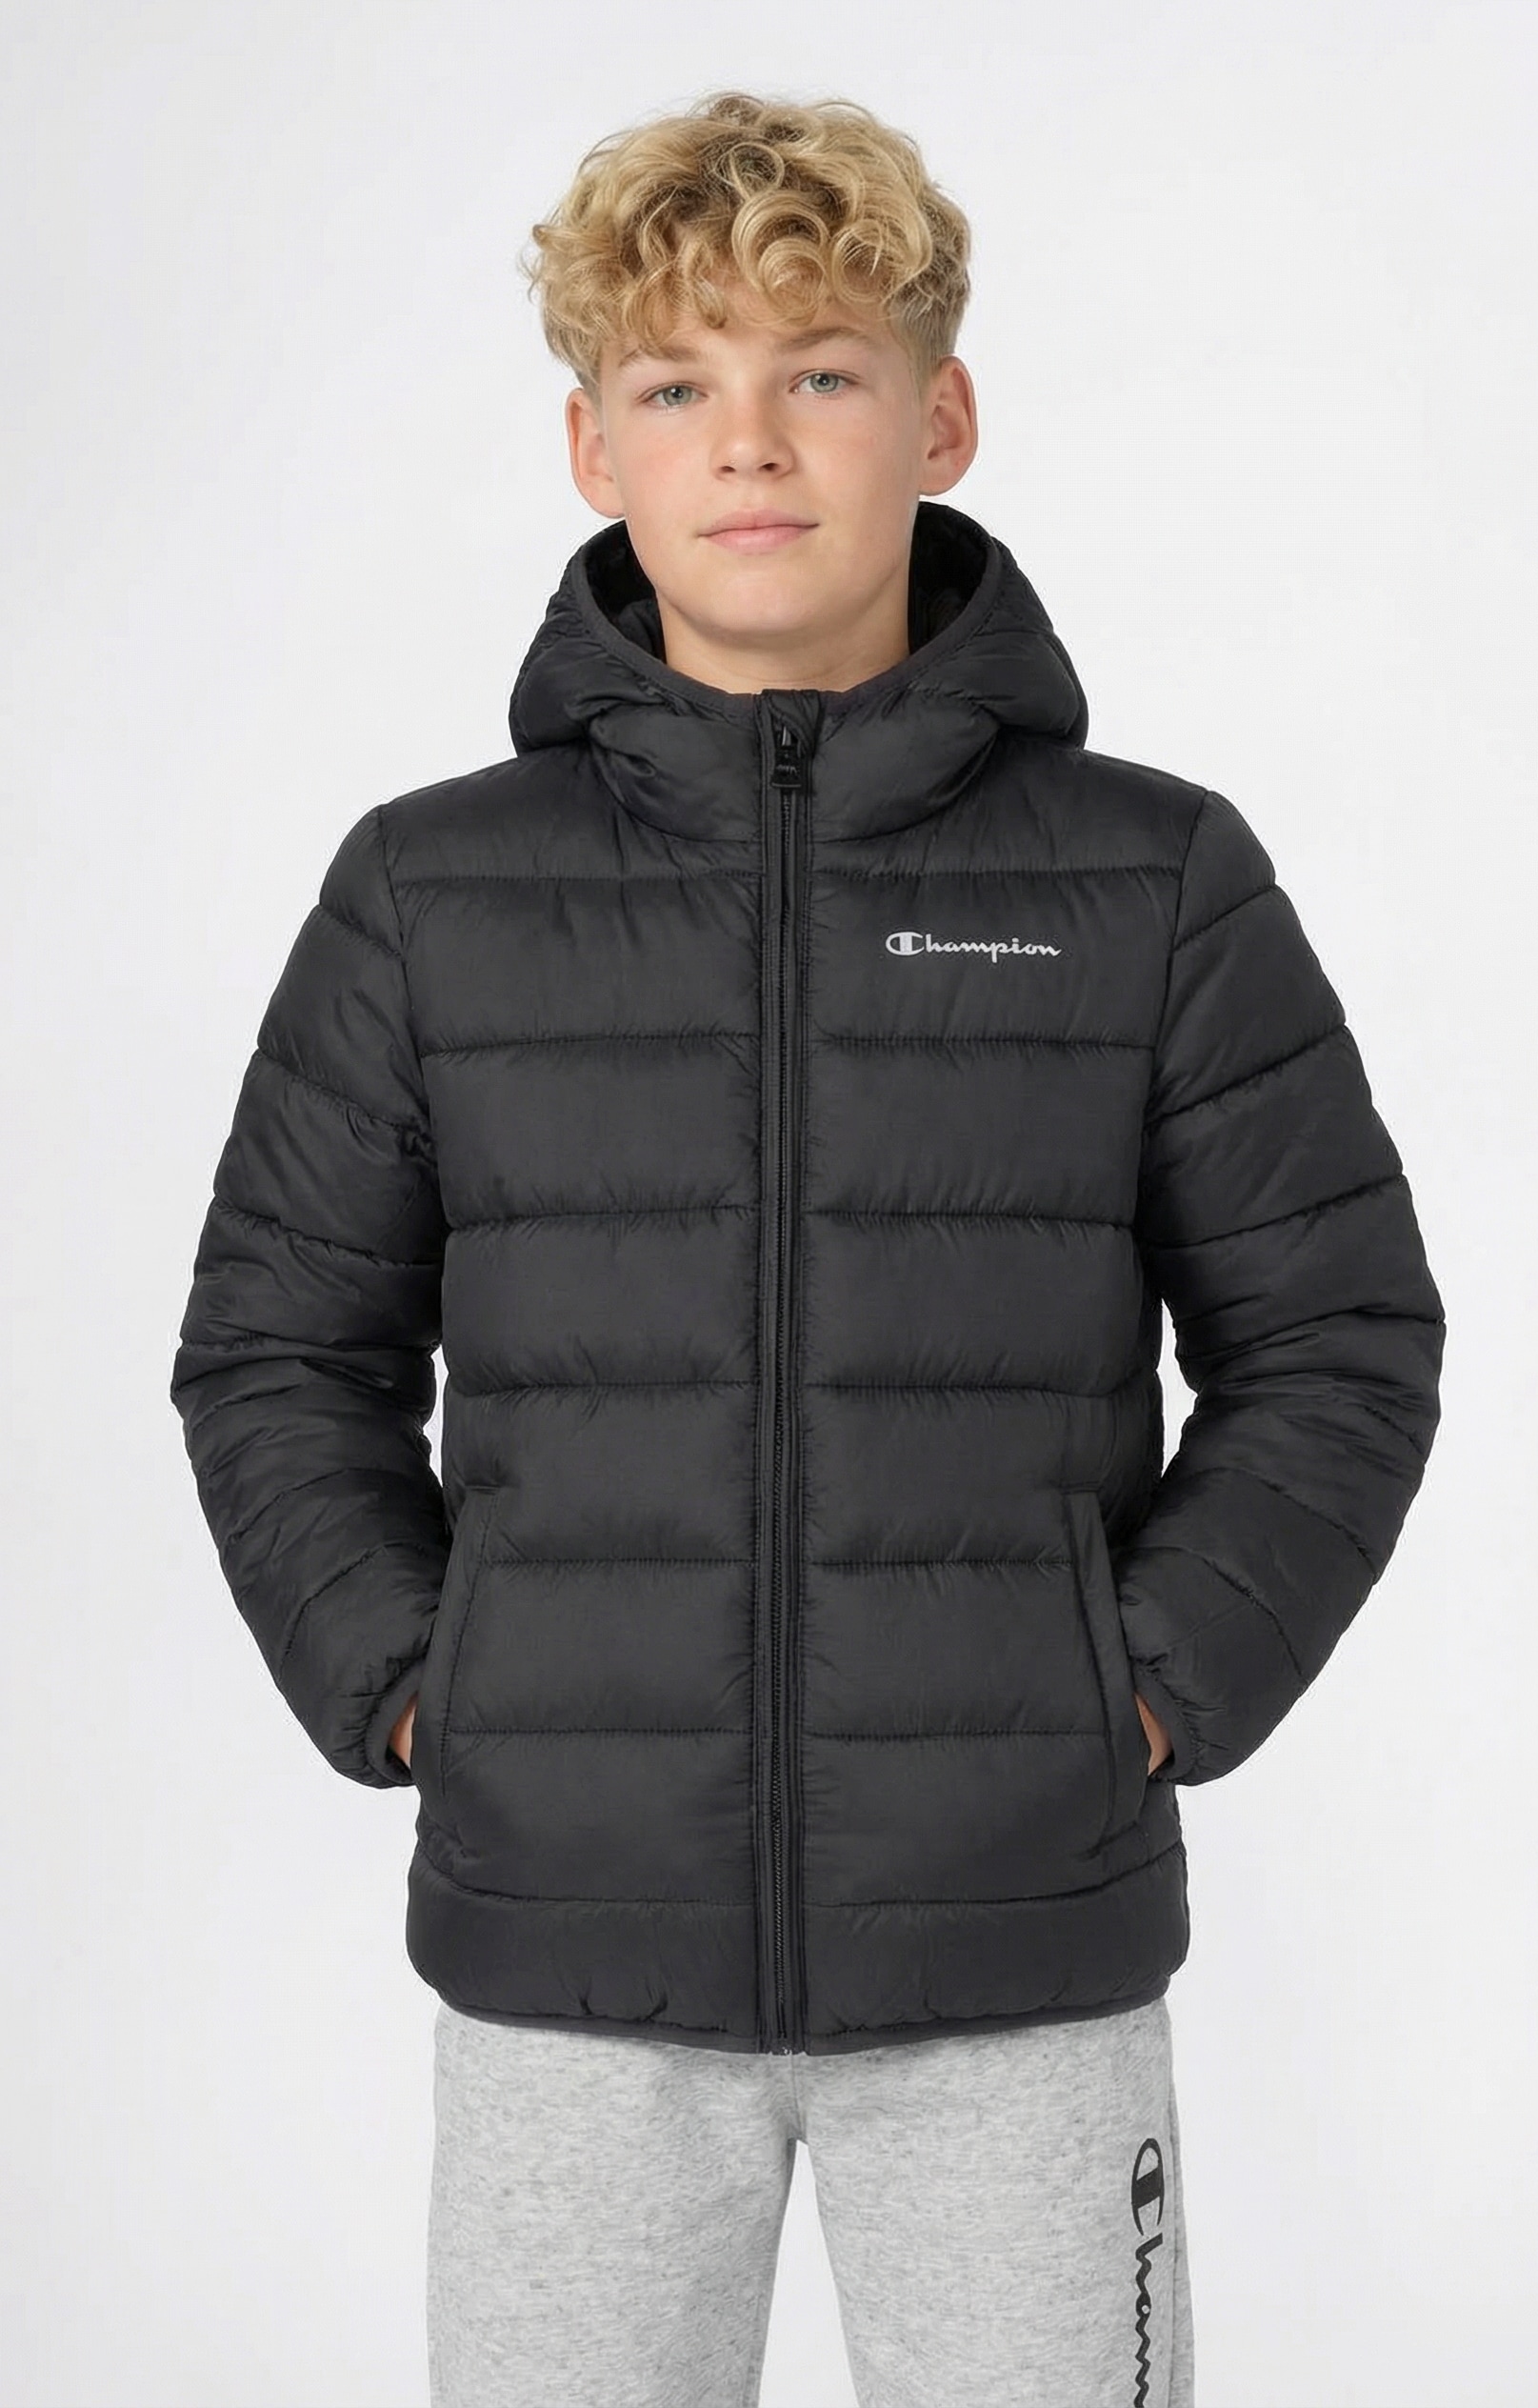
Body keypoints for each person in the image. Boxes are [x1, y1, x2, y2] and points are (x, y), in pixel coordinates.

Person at [169, 89, 1446, 2408]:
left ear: (936, 418)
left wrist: (1130, 1689)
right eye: (677, 384)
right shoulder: (431, 892)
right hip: (569, 1958)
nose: (748, 442)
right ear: (594, 448)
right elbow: (275, 1347)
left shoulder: (1149, 877)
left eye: (820, 371)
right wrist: (427, 1687)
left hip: (1014, 1952)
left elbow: (1335, 1339)